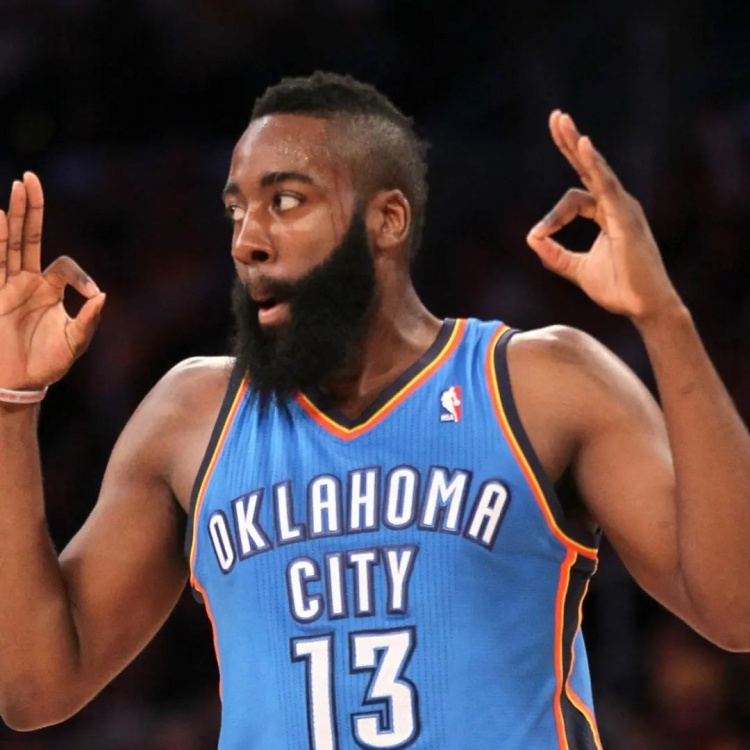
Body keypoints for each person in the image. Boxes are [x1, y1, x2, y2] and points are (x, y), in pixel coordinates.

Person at [0, 71, 749, 750]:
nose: (247, 241)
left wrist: (664, 319)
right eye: (236, 211)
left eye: (284, 202)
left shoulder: (538, 384)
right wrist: (11, 403)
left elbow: (737, 609)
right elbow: (34, 690)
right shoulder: (191, 416)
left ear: (387, 219)